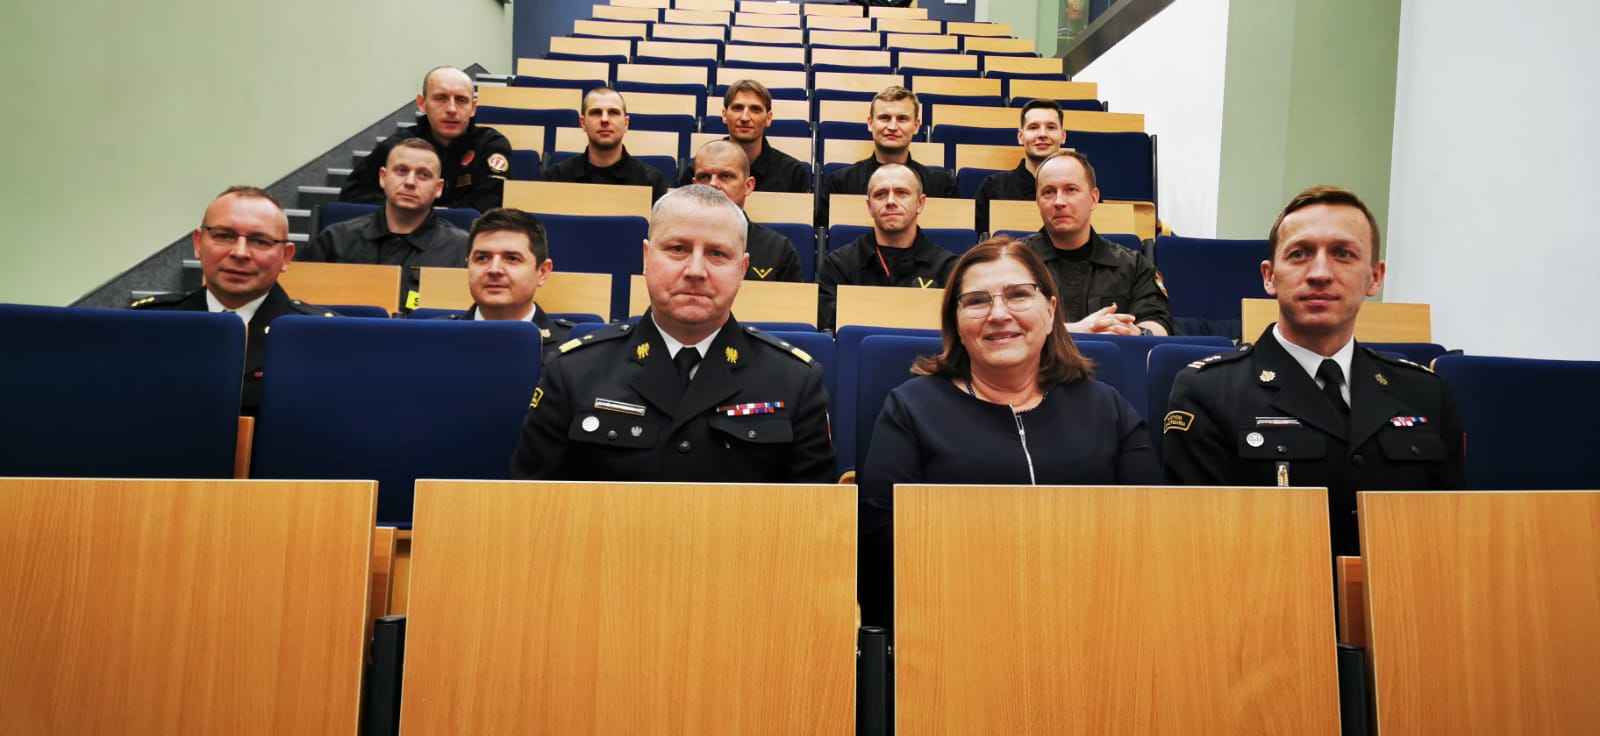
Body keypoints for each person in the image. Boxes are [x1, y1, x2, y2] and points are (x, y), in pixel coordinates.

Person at [859, 237, 1161, 629]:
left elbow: (1152, 533)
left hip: (1097, 624)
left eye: (1019, 295)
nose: (999, 314)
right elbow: (881, 550)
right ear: (956, 322)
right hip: (952, 627)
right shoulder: (911, 409)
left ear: (1051, 312)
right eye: (977, 300)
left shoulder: (1107, 408)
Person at [1163, 185, 1465, 557]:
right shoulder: (1208, 392)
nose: (1320, 273)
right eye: (1300, 254)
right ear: (1270, 277)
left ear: (1375, 277)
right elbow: (1201, 550)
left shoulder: (1426, 394)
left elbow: (1448, 543)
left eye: (1343, 254)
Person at [509, 185, 835, 482]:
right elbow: (530, 507)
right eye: (678, 248)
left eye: (717, 254)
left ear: (742, 270)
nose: (695, 271)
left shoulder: (794, 382)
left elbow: (814, 517)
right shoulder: (573, 371)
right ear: (646, 258)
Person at [130, 186, 334, 414]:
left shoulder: (322, 335)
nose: (240, 253)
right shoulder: (147, 323)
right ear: (198, 243)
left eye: (260, 241)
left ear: (286, 257)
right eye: (224, 236)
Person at [301, 139, 470, 310]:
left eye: (423, 175)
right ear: (383, 177)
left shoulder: (462, 249)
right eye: (402, 171)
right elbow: (300, 302)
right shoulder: (336, 240)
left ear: (438, 188)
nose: (410, 182)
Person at [1021, 151, 1174, 336]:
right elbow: (1001, 323)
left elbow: (1160, 323)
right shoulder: (1015, 261)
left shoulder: (1132, 265)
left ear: (1093, 199)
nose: (1059, 201)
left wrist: (1136, 333)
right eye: (1049, 192)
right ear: (1038, 202)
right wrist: (1079, 330)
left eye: (1071, 190)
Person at [339, 66, 511, 213]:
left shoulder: (490, 144)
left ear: (473, 107)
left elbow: (489, 205)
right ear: (422, 103)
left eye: (461, 100)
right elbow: (354, 195)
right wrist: (409, 214)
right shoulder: (399, 146)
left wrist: (424, 215)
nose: (451, 109)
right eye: (441, 98)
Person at [816, 164, 957, 332]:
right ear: (869, 207)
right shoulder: (839, 266)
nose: (890, 201)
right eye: (880, 194)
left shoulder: (949, 268)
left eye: (901, 193)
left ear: (920, 203)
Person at [817, 86, 958, 226]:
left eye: (902, 119)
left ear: (916, 126)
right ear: (870, 123)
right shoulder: (840, 184)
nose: (892, 127)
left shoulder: (941, 187)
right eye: (884, 118)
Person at [448, 207, 575, 353]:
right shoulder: (434, 338)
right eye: (482, 258)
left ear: (542, 272)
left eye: (512, 259)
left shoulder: (574, 349)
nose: (494, 269)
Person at [690, 140, 803, 282]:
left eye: (725, 176)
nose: (713, 184)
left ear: (748, 186)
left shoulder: (777, 249)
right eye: (704, 177)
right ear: (694, 185)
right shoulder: (675, 242)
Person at [677, 80, 811, 193]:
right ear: (724, 115)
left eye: (755, 110)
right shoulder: (698, 169)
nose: (745, 118)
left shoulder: (793, 174)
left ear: (768, 118)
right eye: (738, 108)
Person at [542, 86, 669, 203]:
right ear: (583, 123)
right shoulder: (554, 178)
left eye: (613, 112)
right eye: (596, 112)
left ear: (626, 123)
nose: (604, 120)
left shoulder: (652, 183)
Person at [974, 99, 1066, 236]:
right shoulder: (993, 188)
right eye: (1033, 127)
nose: (1042, 134)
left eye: (1051, 127)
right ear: (1020, 136)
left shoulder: (1081, 189)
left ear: (1063, 136)